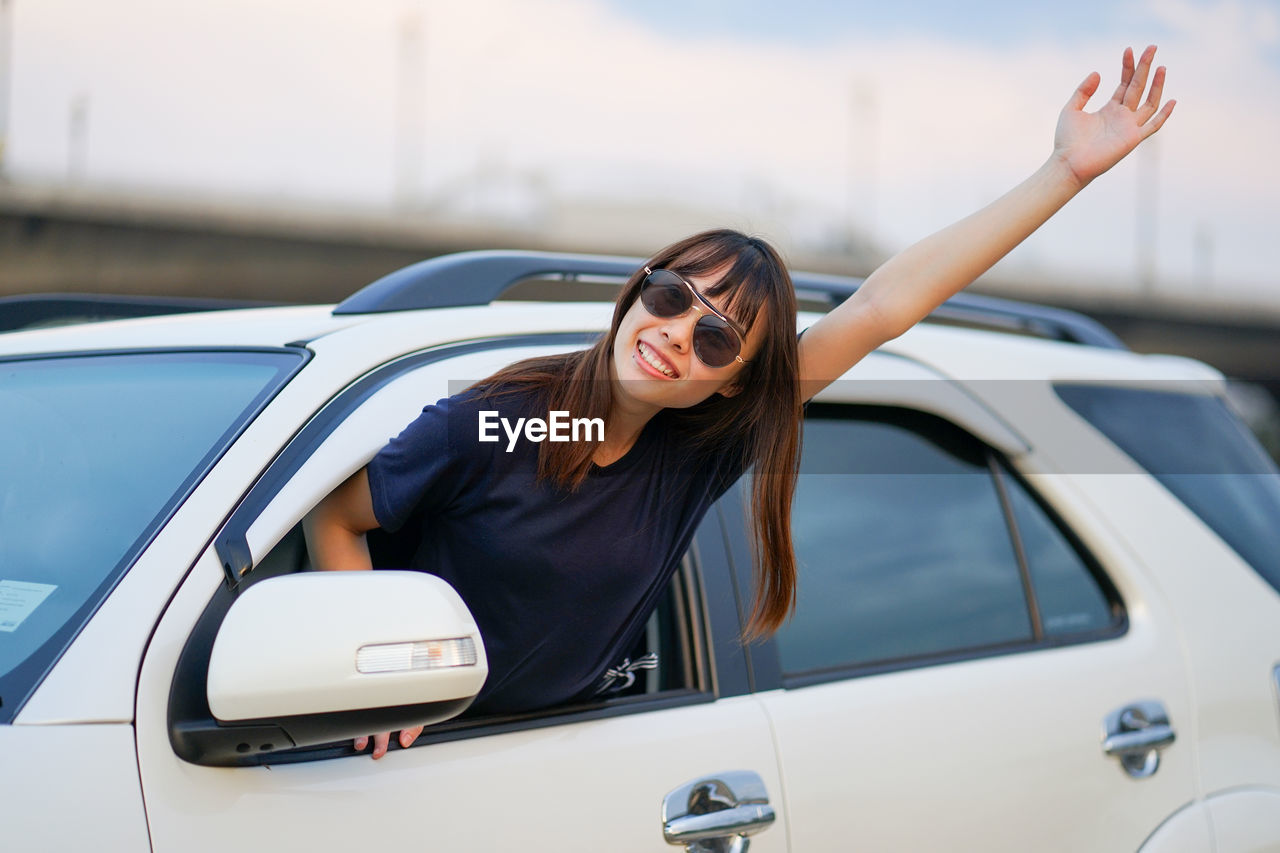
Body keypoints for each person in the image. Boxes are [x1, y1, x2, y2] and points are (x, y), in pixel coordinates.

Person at [304, 46, 1174, 759]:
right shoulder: (507, 418)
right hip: (424, 758)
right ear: (640, 286)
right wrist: (389, 674)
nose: (681, 332)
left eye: (718, 339)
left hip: (565, 756)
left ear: (730, 382)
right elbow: (338, 516)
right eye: (675, 295)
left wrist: (1064, 173)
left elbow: (877, 309)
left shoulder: (692, 450)